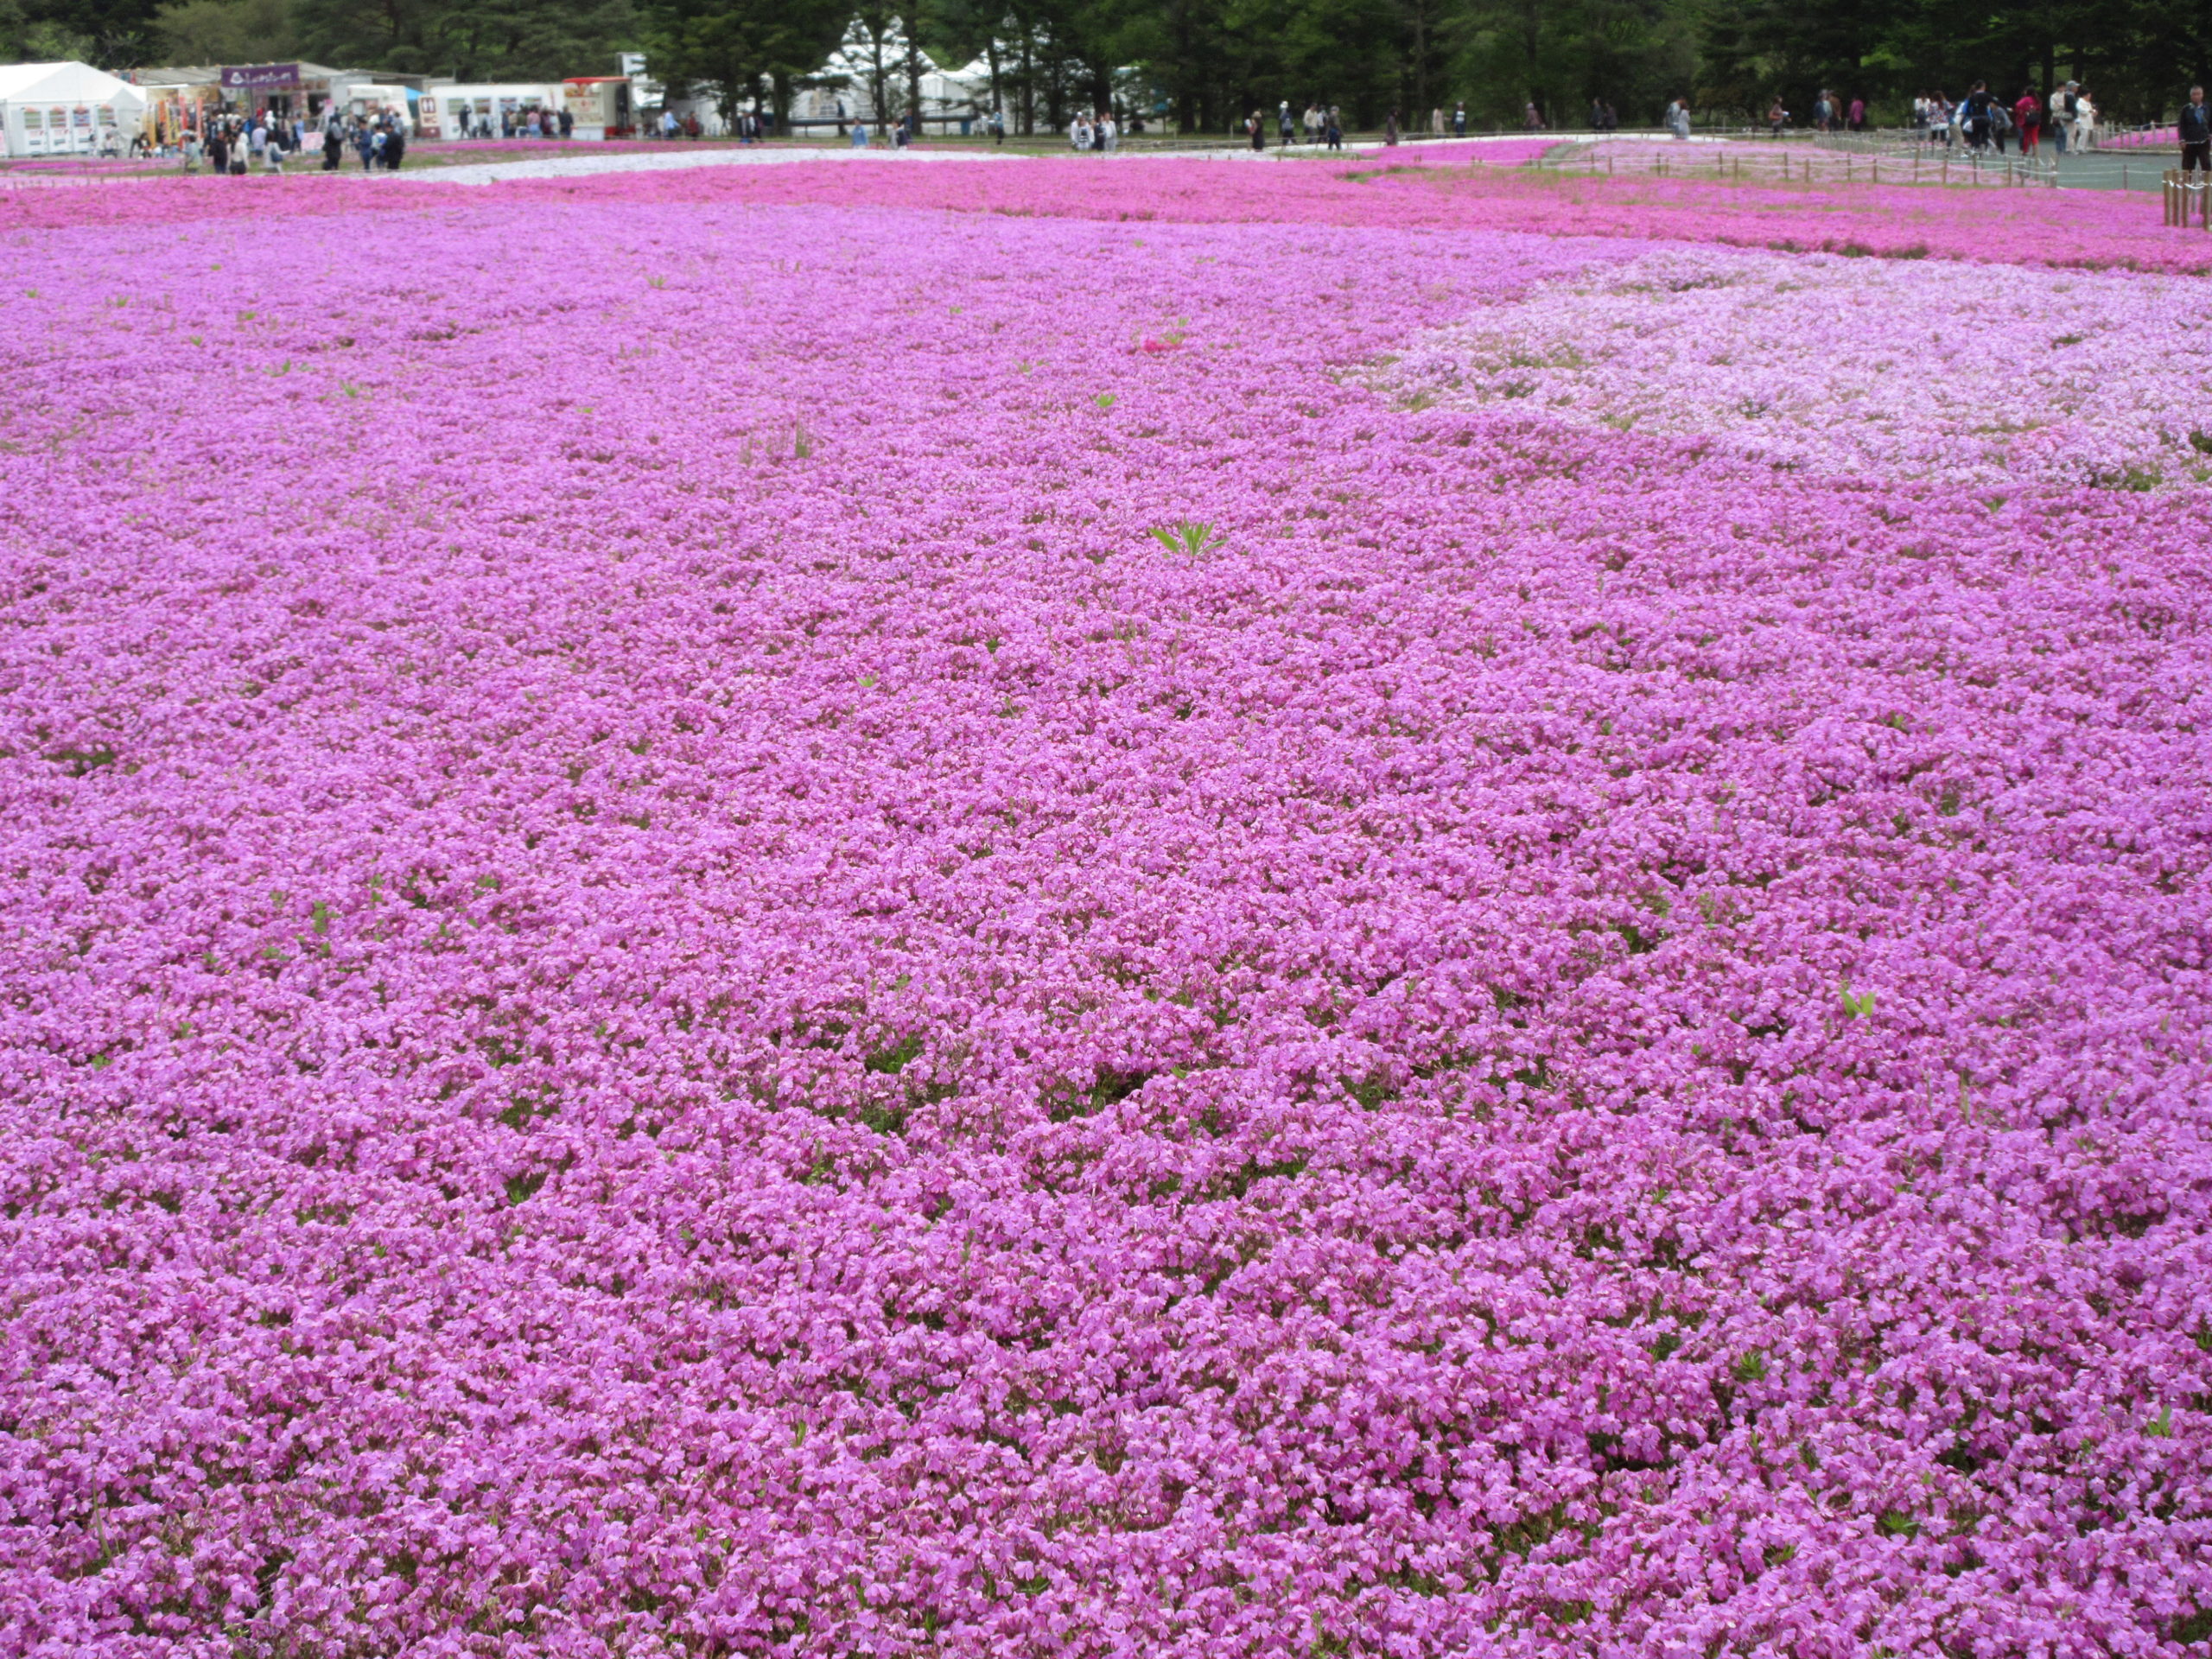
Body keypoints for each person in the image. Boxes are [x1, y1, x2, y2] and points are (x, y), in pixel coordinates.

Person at [2183, 85, 2210, 174]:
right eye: (2194, 94)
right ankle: (2187, 185)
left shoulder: (2208, 108)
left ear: (2202, 95)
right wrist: (2182, 139)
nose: (2196, 96)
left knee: (2206, 164)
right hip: (2189, 142)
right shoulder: (2186, 109)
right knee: (2188, 166)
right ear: (2191, 96)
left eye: (2198, 94)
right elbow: (2182, 125)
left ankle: (2207, 185)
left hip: (2204, 140)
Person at [2015, 87, 2042, 154]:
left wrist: (2022, 111)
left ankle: (2025, 151)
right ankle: (2036, 152)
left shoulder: (2025, 99)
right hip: (2035, 119)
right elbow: (2039, 109)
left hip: (2027, 120)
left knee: (2026, 136)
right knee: (2034, 136)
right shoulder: (2037, 99)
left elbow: (2018, 105)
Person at [2073, 86, 2096, 150]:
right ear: (2084, 95)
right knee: (2083, 134)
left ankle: (2084, 147)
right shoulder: (2080, 102)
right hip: (2082, 121)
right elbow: (2080, 110)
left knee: (2087, 135)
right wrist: (2089, 111)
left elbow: (2091, 111)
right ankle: (2079, 147)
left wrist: (2094, 112)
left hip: (2088, 121)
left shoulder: (2088, 103)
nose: (2089, 97)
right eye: (2088, 96)